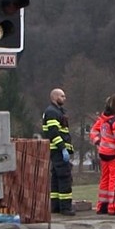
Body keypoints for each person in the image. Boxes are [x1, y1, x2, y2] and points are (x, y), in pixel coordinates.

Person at [92, 94, 115, 216]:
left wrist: (100, 143)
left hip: (104, 153)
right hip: (113, 154)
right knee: (114, 181)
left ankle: (102, 205)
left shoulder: (106, 119)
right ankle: (113, 207)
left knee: (105, 180)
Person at [42, 87, 75, 216]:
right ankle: (66, 208)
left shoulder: (57, 111)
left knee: (56, 178)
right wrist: (62, 148)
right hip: (58, 150)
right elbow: (53, 133)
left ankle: (55, 206)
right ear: (55, 97)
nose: (64, 98)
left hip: (56, 150)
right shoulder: (52, 112)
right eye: (62, 96)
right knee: (65, 178)